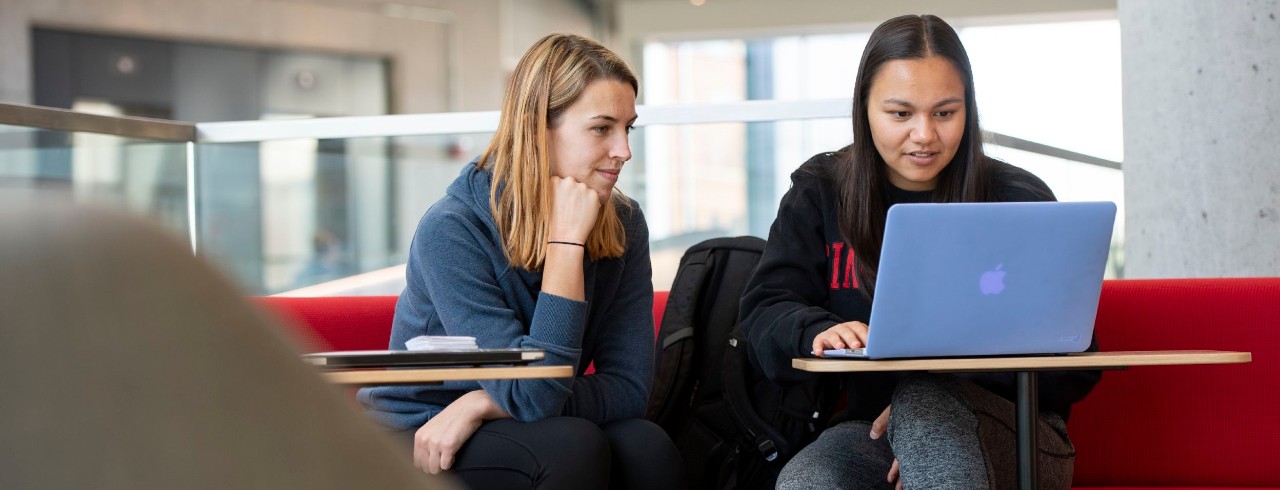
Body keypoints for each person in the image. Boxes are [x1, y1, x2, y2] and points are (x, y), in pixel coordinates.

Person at [739, 14, 1100, 490]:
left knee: (925, 405)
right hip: (871, 432)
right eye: (900, 114)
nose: (925, 135)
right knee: (810, 479)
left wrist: (932, 403)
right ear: (864, 109)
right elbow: (765, 312)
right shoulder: (822, 192)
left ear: (968, 111)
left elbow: (1078, 363)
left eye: (945, 113)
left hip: (1015, 434)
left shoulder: (1017, 196)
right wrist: (818, 328)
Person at [357, 33, 682, 490]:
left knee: (645, 445)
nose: (623, 150)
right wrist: (566, 245)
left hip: (498, 415)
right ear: (536, 128)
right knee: (571, 444)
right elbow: (531, 394)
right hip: (424, 431)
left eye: (628, 128)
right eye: (602, 128)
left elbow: (629, 390)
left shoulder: (622, 222)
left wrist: (479, 404)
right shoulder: (453, 229)